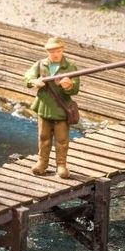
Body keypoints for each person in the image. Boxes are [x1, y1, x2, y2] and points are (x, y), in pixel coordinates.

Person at [23, 36, 81, 178]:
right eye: (52, 52)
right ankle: (42, 162)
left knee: (62, 139)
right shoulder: (40, 65)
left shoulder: (70, 67)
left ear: (62, 50)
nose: (55, 54)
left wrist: (69, 85)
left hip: (61, 109)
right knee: (43, 137)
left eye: (58, 51)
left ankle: (61, 165)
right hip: (44, 107)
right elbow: (27, 76)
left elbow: (75, 88)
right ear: (47, 52)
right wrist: (34, 82)